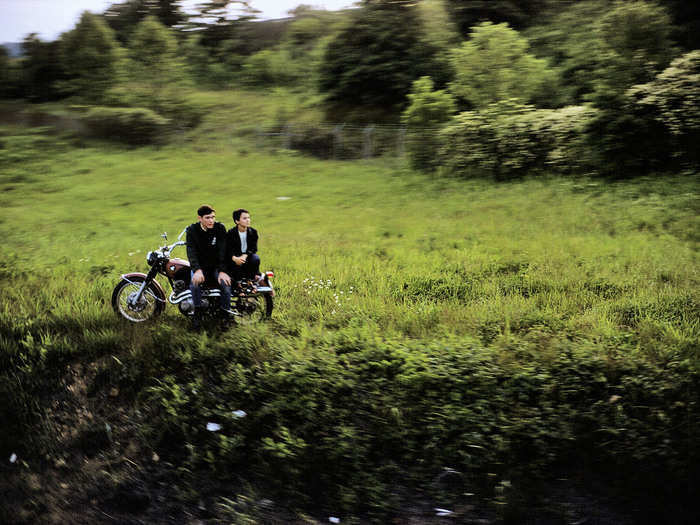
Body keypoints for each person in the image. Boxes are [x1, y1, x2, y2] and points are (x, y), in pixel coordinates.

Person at [186, 204, 235, 324]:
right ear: (200, 218)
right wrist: (197, 270)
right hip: (201, 267)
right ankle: (197, 314)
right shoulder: (192, 230)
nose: (211, 220)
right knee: (194, 285)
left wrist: (223, 271)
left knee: (225, 285)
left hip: (217, 266)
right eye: (207, 218)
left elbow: (224, 251)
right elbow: (191, 251)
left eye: (213, 217)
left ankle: (225, 315)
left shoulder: (220, 228)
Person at [225, 208, 261, 283]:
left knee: (256, 258)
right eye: (244, 218)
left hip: (247, 256)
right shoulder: (231, 233)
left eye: (248, 218)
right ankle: (237, 282)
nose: (248, 220)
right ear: (237, 221)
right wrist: (234, 258)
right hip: (235, 257)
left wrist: (245, 255)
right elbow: (228, 249)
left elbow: (253, 248)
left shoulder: (253, 232)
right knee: (233, 265)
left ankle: (251, 280)